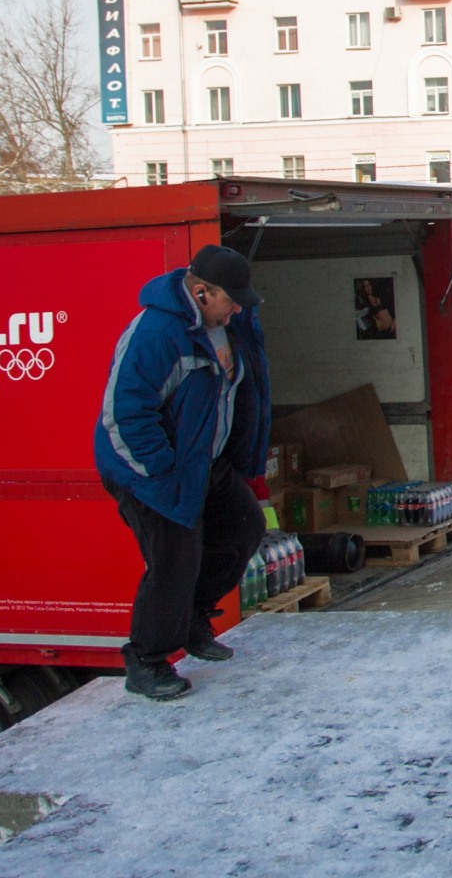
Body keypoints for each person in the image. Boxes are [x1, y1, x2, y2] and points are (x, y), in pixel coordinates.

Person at [93, 244, 272, 702]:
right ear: (201, 292)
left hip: (203, 463)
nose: (237, 309)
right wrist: (163, 469)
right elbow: (124, 413)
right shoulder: (156, 333)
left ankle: (192, 618)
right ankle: (146, 661)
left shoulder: (227, 325)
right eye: (231, 300)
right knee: (175, 560)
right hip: (152, 470)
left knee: (244, 529)